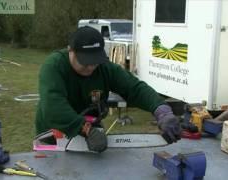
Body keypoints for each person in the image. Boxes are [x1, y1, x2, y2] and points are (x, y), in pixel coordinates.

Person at [35, 26, 181, 153]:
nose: (91, 67)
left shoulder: (105, 68)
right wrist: (86, 129)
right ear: (70, 50)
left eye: (94, 62)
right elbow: (53, 107)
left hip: (91, 131)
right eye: (85, 62)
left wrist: (161, 110)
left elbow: (134, 88)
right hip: (55, 135)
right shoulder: (54, 66)